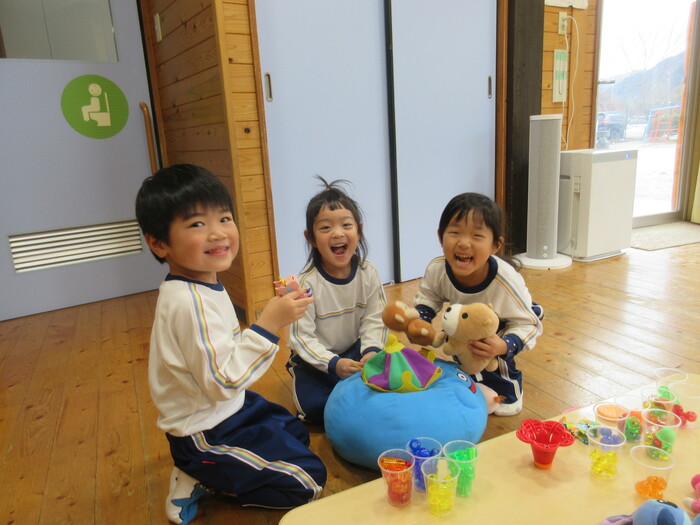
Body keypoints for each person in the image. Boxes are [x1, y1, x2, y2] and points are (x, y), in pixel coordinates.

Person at [135, 164, 326, 525]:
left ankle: (214, 470)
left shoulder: (202, 281)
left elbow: (224, 354)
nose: (218, 233)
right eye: (197, 224)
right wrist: (269, 323)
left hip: (229, 408)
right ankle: (201, 474)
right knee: (308, 483)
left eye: (224, 218)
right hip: (204, 429)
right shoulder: (189, 303)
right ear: (159, 243)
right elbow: (223, 382)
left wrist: (273, 317)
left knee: (296, 433)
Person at [413, 192, 543, 416]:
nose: (464, 243)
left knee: (491, 353)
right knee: (465, 347)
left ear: (495, 245)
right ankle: (471, 376)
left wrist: (504, 346)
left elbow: (529, 324)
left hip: (509, 319)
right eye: (455, 232)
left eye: (477, 235)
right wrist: (421, 320)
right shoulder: (437, 268)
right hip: (467, 320)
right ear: (440, 236)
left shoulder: (505, 281)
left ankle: (510, 389)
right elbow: (428, 297)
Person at [287, 177, 388, 425]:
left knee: (390, 381)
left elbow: (375, 319)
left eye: (346, 224)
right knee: (315, 409)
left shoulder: (368, 273)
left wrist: (371, 351)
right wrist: (333, 364)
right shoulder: (307, 283)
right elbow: (302, 337)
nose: (338, 233)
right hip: (317, 359)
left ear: (359, 230)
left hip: (354, 350)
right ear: (311, 238)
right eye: (325, 228)